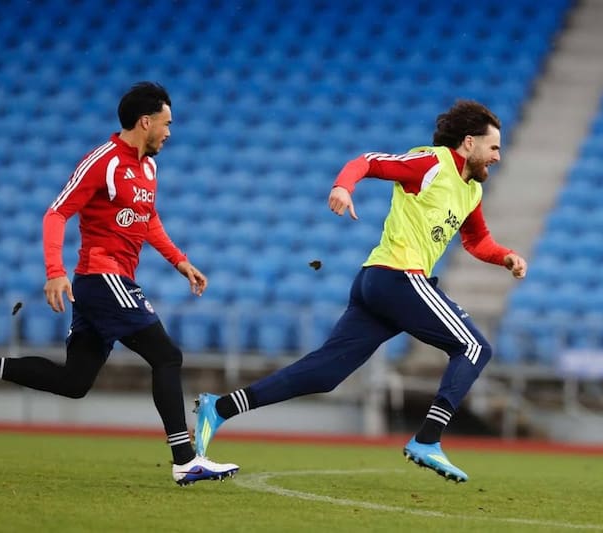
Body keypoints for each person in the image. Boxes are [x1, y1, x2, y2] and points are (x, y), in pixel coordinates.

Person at [194, 99, 527, 482]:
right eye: (494, 147)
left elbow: (477, 240)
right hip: (399, 277)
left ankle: (219, 408)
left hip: (378, 283)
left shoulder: (471, 191)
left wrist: (505, 257)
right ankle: (428, 439)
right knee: (474, 347)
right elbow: (367, 161)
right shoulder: (431, 164)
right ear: (469, 143)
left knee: (324, 373)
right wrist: (343, 186)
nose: (498, 157)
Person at [0, 82, 238, 486]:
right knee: (167, 356)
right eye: (166, 123)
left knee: (75, 382)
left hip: (105, 284)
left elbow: (149, 219)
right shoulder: (103, 161)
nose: (169, 132)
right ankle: (184, 458)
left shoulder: (149, 167)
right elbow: (56, 214)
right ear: (146, 122)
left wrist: (180, 260)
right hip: (101, 276)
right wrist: (54, 270)